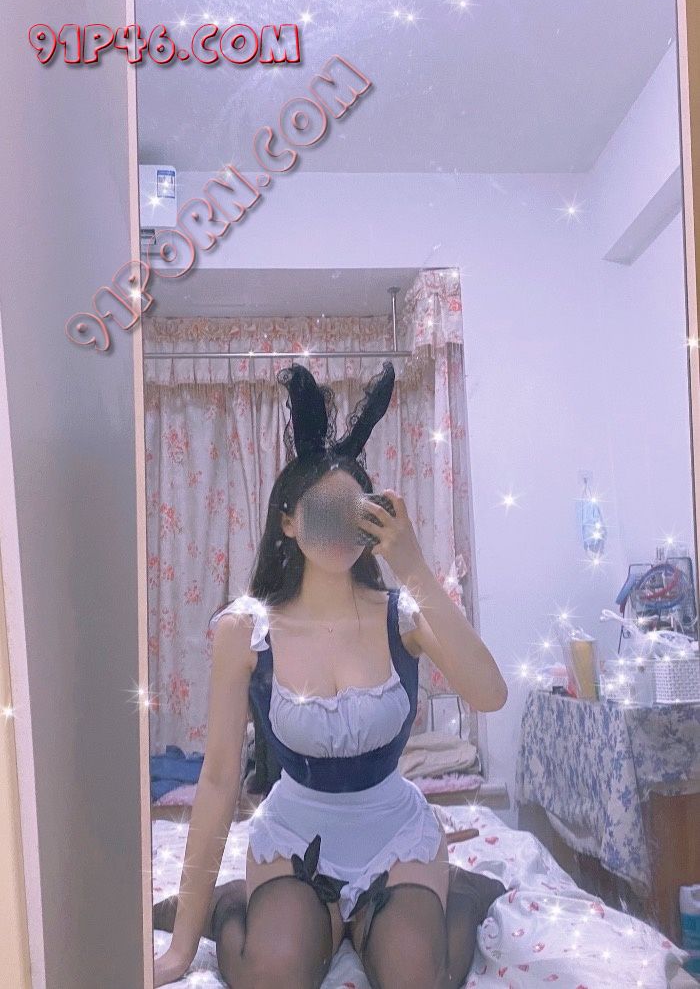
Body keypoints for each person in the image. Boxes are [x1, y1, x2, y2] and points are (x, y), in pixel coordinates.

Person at [153, 361, 507, 988]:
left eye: (354, 512)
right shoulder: (245, 629)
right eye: (323, 512)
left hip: (394, 831)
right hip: (295, 832)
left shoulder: (404, 615)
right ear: (288, 520)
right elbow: (217, 780)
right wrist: (180, 949)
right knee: (273, 974)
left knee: (415, 977)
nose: (339, 526)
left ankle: (463, 893)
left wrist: (412, 564)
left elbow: (490, 693)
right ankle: (228, 905)